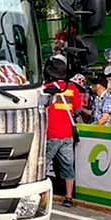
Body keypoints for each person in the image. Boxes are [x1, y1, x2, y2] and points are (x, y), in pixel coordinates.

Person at [43, 55, 81, 207]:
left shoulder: (46, 89)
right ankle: (68, 197)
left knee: (43, 165)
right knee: (68, 166)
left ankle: (43, 197)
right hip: (67, 134)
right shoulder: (72, 88)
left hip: (51, 133)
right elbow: (77, 110)